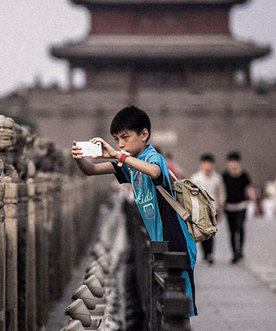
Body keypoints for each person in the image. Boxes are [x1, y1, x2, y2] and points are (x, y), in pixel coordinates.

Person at [71, 106, 197, 317]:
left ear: (144, 134)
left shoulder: (152, 157)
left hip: (176, 244)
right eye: (116, 139)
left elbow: (154, 171)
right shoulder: (129, 165)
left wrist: (118, 156)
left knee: (178, 310)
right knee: (165, 307)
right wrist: (78, 157)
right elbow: (91, 170)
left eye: (125, 137)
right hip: (159, 244)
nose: (120, 144)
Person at [190, 153, 225, 265]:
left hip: (213, 209)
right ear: (201, 164)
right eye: (205, 164)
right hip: (200, 209)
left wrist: (221, 209)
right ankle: (205, 254)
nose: (208, 166)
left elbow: (221, 194)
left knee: (211, 231)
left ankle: (209, 254)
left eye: (210, 164)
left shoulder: (217, 178)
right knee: (202, 232)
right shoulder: (196, 178)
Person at [222, 151, 256, 264]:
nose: (233, 164)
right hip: (229, 207)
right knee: (231, 231)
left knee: (240, 227)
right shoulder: (224, 176)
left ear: (238, 163)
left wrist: (254, 204)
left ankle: (240, 250)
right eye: (231, 162)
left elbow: (249, 189)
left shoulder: (244, 175)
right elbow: (221, 192)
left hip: (241, 206)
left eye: (235, 162)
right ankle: (234, 253)